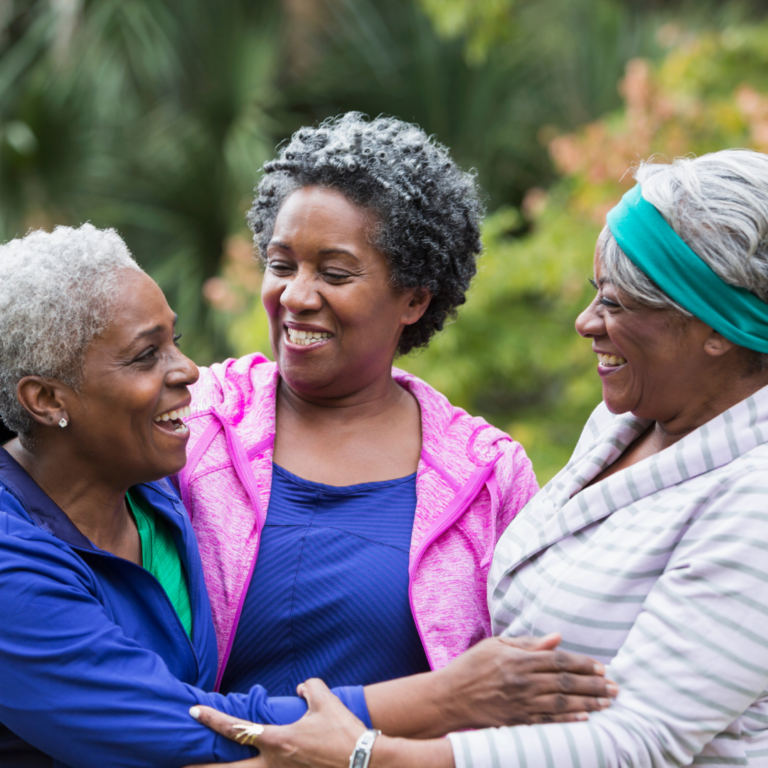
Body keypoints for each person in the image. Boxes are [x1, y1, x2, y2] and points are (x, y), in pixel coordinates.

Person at [191, 149, 768, 767]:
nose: (585, 322)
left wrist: (365, 753)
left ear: (717, 326)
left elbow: (641, 739)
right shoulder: (622, 424)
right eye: (281, 264)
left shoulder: (490, 470)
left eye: (618, 304)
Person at [0, 225, 614, 768]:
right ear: (48, 400)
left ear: (414, 299)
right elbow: (167, 725)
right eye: (145, 356)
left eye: (175, 341)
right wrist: (443, 698)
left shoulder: (156, 494)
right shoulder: (20, 560)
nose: (188, 371)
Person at [177, 113, 539, 694]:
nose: (296, 296)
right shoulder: (196, 419)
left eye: (335, 273)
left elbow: (520, 684)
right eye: (281, 265)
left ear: (415, 300)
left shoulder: (489, 477)